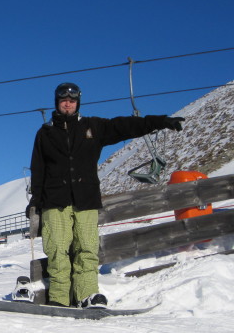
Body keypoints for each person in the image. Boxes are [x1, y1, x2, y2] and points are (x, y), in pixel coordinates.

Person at [27, 82, 184, 308]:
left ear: (78, 102)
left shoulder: (93, 127)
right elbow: (38, 169)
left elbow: (124, 126)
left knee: (87, 250)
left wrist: (160, 121)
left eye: (72, 100)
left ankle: (87, 295)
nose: (68, 103)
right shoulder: (45, 133)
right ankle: (59, 299)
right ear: (57, 102)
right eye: (64, 100)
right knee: (57, 251)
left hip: (86, 200)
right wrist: (35, 201)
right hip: (54, 201)